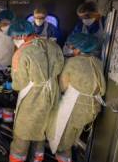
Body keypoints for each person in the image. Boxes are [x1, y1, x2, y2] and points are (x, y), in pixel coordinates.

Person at [7, 19, 64, 162]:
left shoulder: (21, 53)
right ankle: (37, 159)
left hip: (33, 99)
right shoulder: (52, 45)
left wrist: (10, 85)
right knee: (41, 131)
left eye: (14, 37)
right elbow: (60, 67)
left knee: (23, 134)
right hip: (52, 94)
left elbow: (19, 84)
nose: (13, 40)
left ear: (21, 36)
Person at [47, 33, 106, 162]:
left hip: (75, 107)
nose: (72, 50)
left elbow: (62, 86)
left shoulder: (73, 62)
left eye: (74, 48)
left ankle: (64, 157)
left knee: (63, 139)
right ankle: (71, 151)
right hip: (92, 107)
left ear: (80, 48)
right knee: (74, 135)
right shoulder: (98, 62)